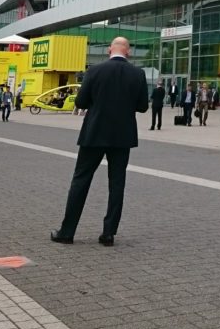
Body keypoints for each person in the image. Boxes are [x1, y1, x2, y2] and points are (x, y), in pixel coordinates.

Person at [51, 37, 149, 247]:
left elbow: (81, 102)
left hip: (94, 133)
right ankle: (108, 233)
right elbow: (142, 107)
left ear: (109, 49)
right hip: (122, 136)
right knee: (117, 184)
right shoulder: (138, 74)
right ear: (128, 52)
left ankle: (67, 232)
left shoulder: (94, 71)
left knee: (81, 179)